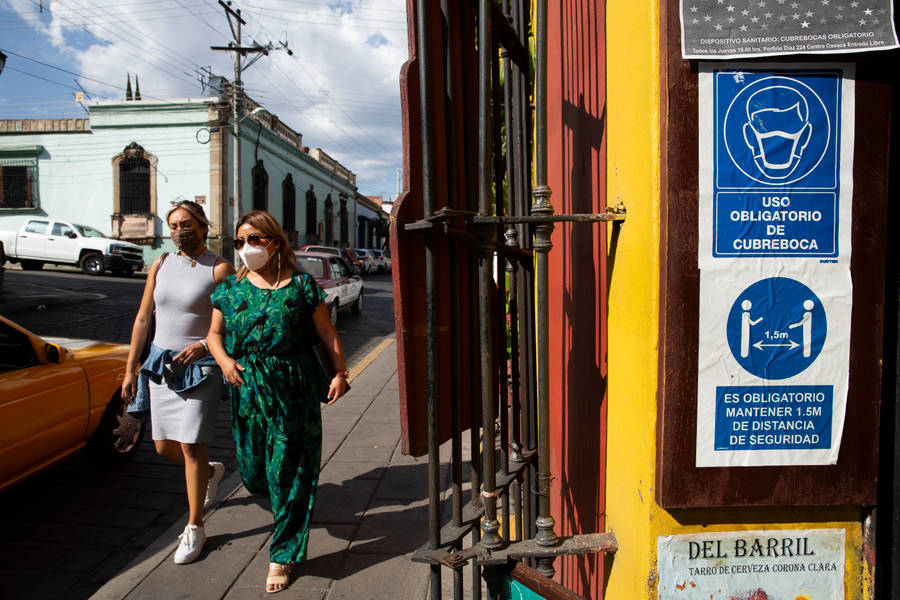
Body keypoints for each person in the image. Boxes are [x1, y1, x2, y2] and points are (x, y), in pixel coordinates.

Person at [207, 210, 349, 594]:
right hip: (247, 389)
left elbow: (326, 332)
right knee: (255, 474)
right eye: (239, 242)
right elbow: (213, 335)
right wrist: (223, 361)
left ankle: (282, 554)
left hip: (294, 390)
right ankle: (281, 508)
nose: (245, 248)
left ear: (274, 242)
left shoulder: (301, 287)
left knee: (288, 472)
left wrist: (340, 372)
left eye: (254, 239)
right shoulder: (231, 290)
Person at [122, 200, 235, 565]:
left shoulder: (218, 269)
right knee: (160, 446)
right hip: (161, 366)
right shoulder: (161, 262)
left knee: (190, 447)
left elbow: (234, 323)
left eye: (186, 224)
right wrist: (130, 368)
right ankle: (211, 471)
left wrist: (204, 345)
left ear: (203, 226)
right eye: (172, 225)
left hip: (200, 369)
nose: (178, 231)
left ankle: (195, 526)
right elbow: (143, 318)